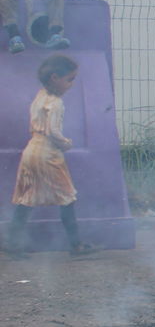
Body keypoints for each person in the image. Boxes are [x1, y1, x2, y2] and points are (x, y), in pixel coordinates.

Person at [5, 55, 94, 256]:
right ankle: (76, 245)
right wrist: (66, 143)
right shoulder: (56, 103)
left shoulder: (40, 96)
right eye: (69, 79)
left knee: (26, 198)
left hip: (31, 151)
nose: (71, 84)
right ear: (55, 78)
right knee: (67, 197)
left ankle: (13, 244)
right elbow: (52, 131)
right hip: (47, 154)